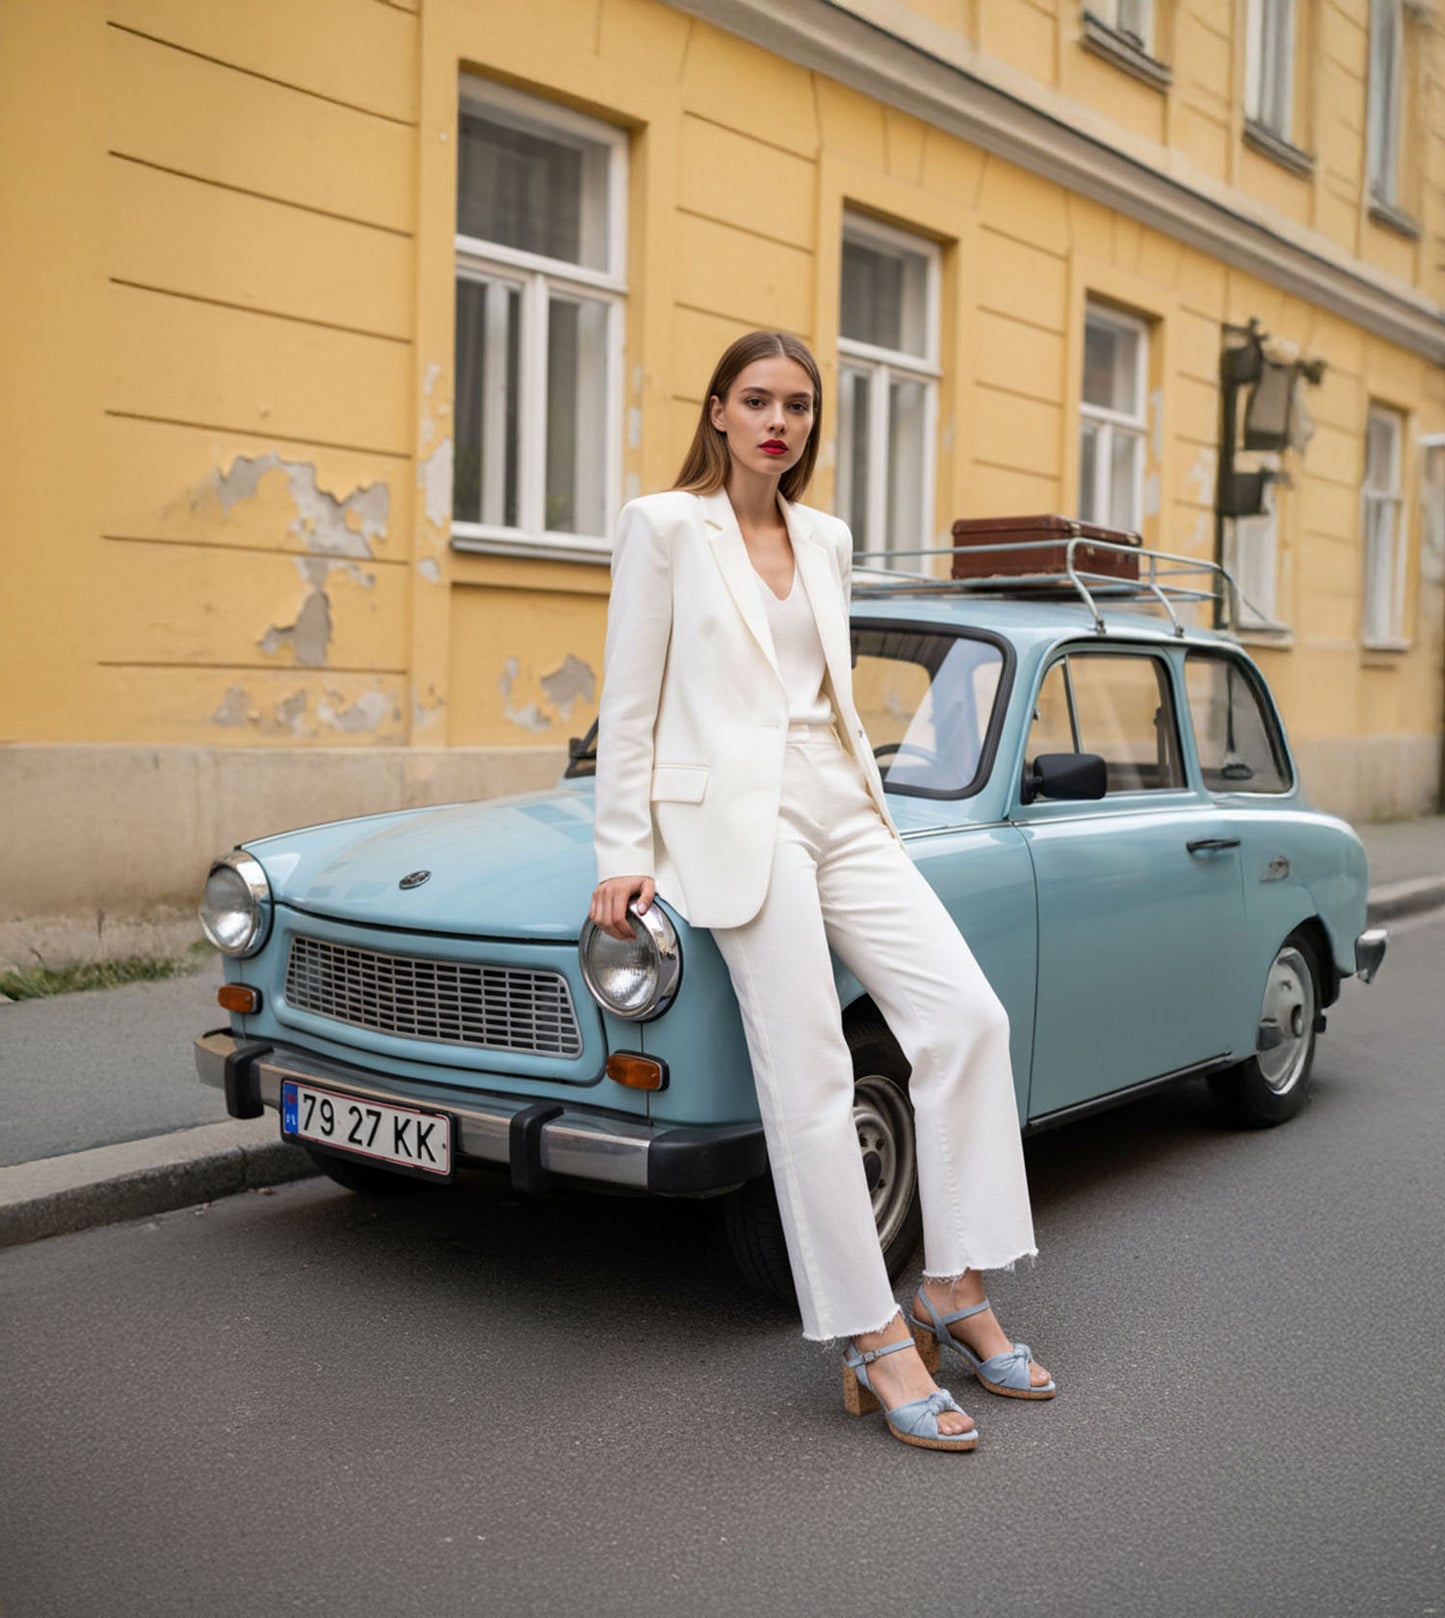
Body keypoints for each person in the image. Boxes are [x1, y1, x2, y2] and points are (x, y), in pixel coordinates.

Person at [589, 329, 1052, 1452]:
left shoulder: (826, 538)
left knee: (965, 1019)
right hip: (736, 826)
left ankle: (952, 1282)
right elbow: (631, 698)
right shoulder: (662, 529)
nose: (777, 422)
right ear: (716, 412)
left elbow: (827, 690)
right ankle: (869, 1331)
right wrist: (619, 850)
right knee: (811, 1075)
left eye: (796, 405)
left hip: (845, 808)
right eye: (756, 401)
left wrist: (864, 796)